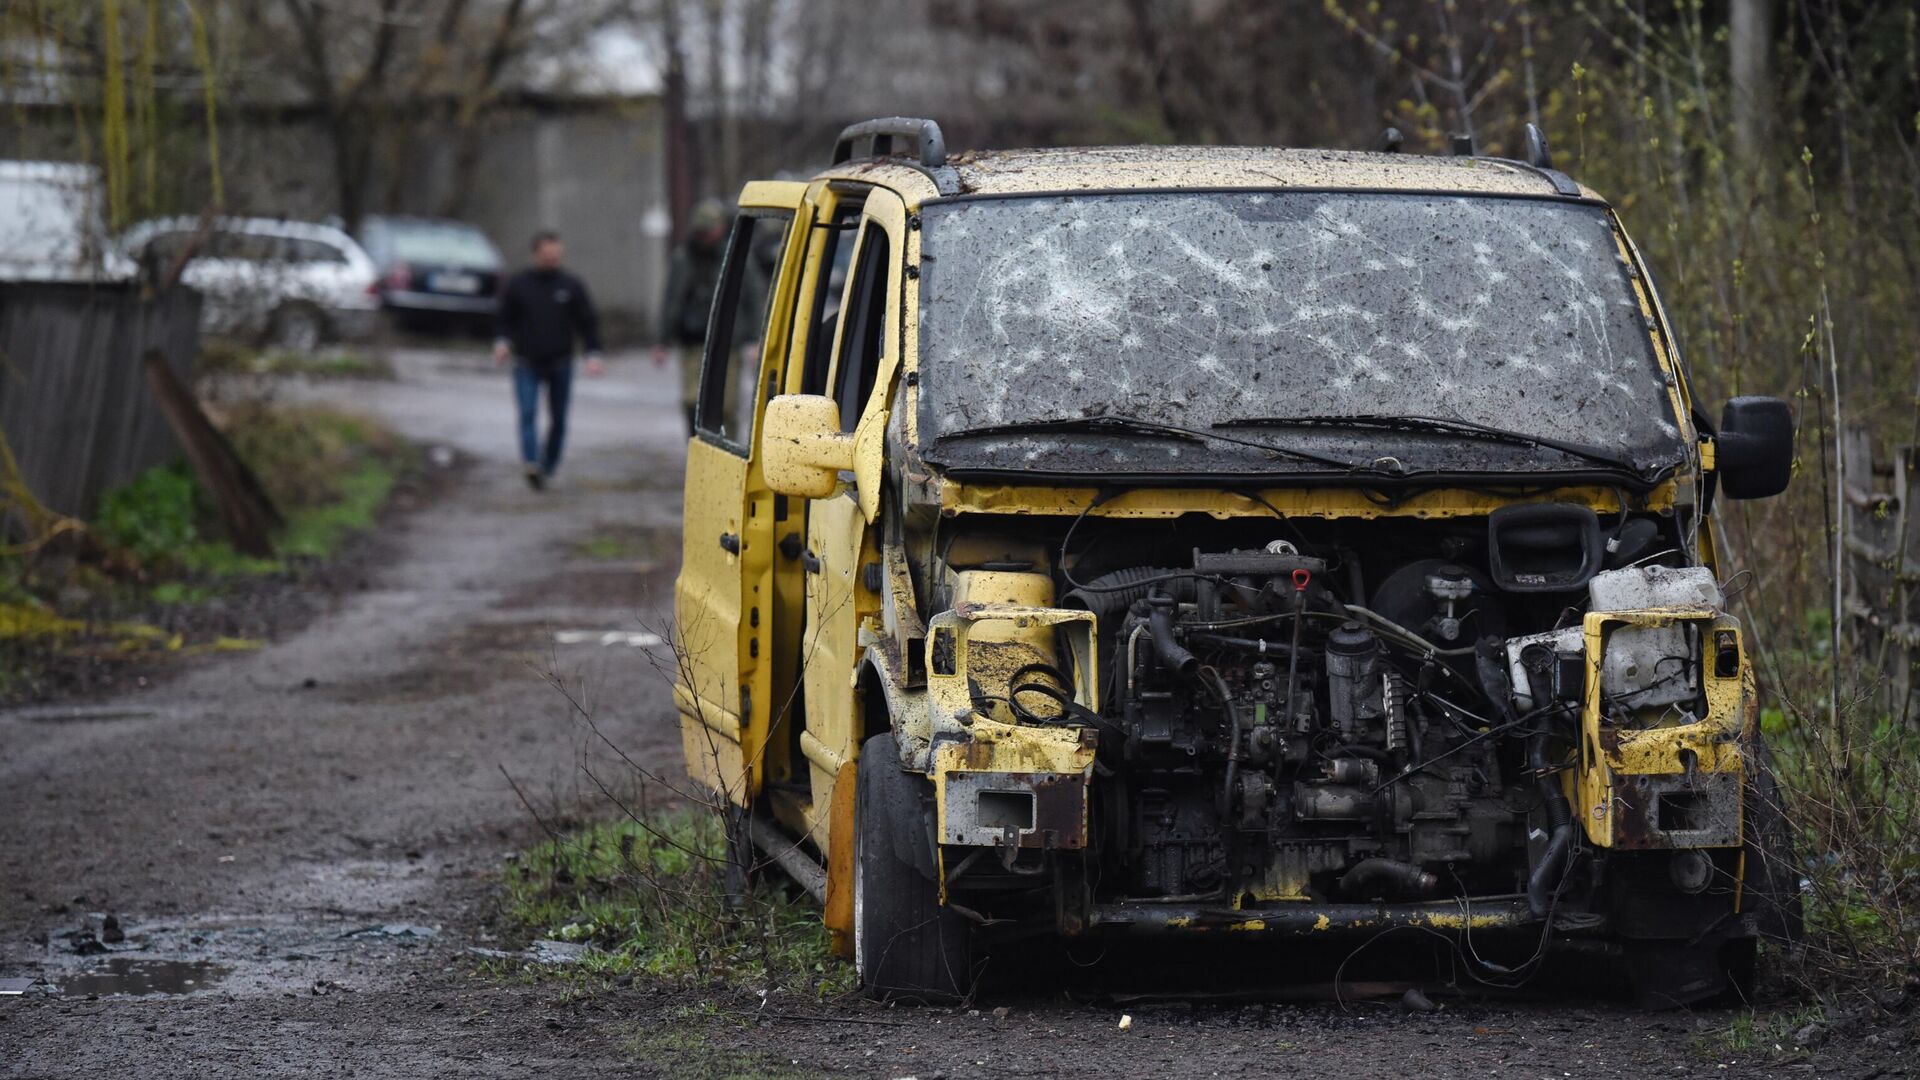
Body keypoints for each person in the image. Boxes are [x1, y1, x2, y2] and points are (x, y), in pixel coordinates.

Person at [495, 231, 603, 490]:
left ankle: (549, 464)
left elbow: (587, 322)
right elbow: (503, 318)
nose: (552, 260)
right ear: (536, 254)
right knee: (528, 413)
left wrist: (593, 354)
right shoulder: (518, 284)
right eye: (547, 256)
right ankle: (531, 463)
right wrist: (501, 342)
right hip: (526, 362)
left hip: (560, 362)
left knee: (559, 419)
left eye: (557, 256)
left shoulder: (571, 285)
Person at [653, 201, 730, 434]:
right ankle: (696, 441)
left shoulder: (730, 252)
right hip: (692, 338)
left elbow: (752, 293)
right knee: (691, 399)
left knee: (726, 404)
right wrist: (662, 340)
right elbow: (671, 298)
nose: (706, 237)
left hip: (727, 339)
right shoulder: (683, 257)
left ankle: (727, 451)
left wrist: (756, 337)